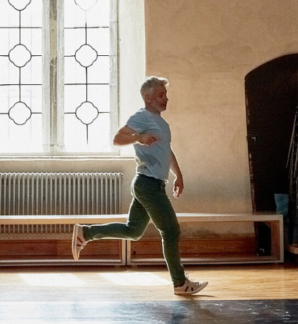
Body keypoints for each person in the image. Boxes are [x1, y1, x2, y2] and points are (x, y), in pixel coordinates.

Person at [71, 77, 208, 296]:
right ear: (148, 97)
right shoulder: (142, 116)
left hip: (149, 183)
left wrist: (178, 175)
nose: (166, 99)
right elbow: (118, 138)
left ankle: (86, 233)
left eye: (165, 94)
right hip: (148, 184)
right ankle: (180, 282)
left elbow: (167, 152)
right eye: (161, 95)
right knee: (171, 230)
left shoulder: (162, 123)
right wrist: (138, 138)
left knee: (133, 231)